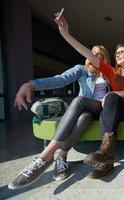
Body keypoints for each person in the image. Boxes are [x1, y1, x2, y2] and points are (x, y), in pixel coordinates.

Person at [53, 13, 124, 178]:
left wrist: (110, 95)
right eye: (116, 52)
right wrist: (66, 34)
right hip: (112, 108)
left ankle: (106, 155)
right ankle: (106, 158)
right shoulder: (111, 72)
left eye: (122, 52)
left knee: (111, 97)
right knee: (101, 107)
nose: (117, 54)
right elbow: (88, 54)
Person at [8, 45, 111, 190]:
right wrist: (31, 85)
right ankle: (61, 156)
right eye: (93, 53)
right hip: (86, 111)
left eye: (99, 54)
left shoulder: (110, 73)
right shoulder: (82, 70)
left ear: (105, 57)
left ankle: (45, 156)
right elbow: (60, 79)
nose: (95, 55)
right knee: (84, 118)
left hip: (101, 109)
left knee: (78, 100)